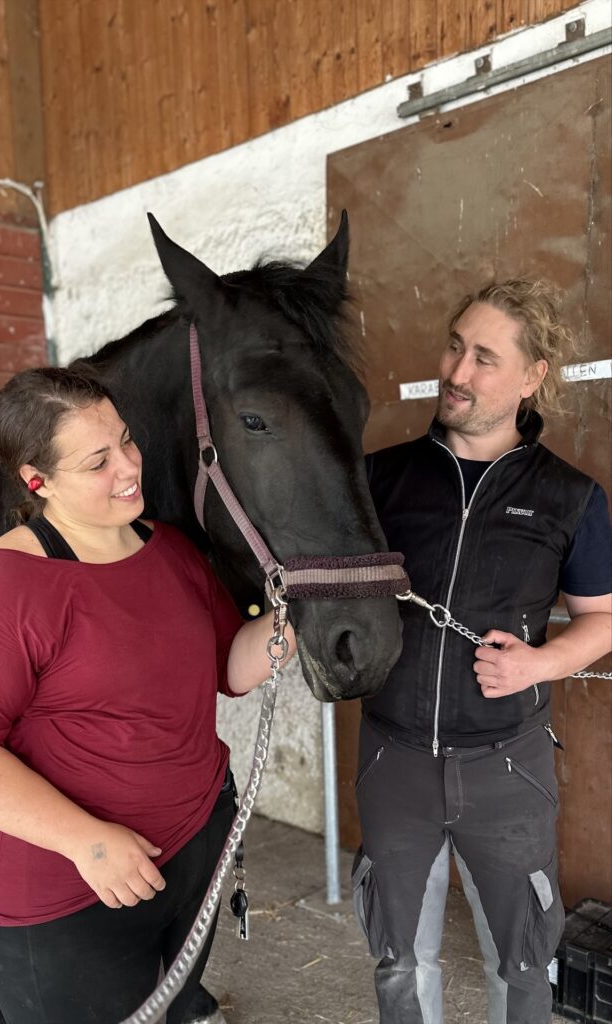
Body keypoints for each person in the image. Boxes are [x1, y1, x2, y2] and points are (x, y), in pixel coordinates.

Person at [0, 367, 296, 1024]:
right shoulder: (3, 584)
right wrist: (86, 841)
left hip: (192, 845)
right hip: (68, 889)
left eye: (126, 440)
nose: (128, 465)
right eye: (97, 461)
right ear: (38, 481)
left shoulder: (169, 546)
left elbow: (228, 665)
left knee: (174, 1011)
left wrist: (307, 611)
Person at [353, 280, 612, 1024]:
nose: (458, 373)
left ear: (533, 377)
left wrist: (537, 663)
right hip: (392, 759)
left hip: (507, 768)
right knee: (401, 960)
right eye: (455, 346)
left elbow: (601, 619)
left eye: (485, 358)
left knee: (524, 962)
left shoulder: (570, 497)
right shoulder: (381, 478)